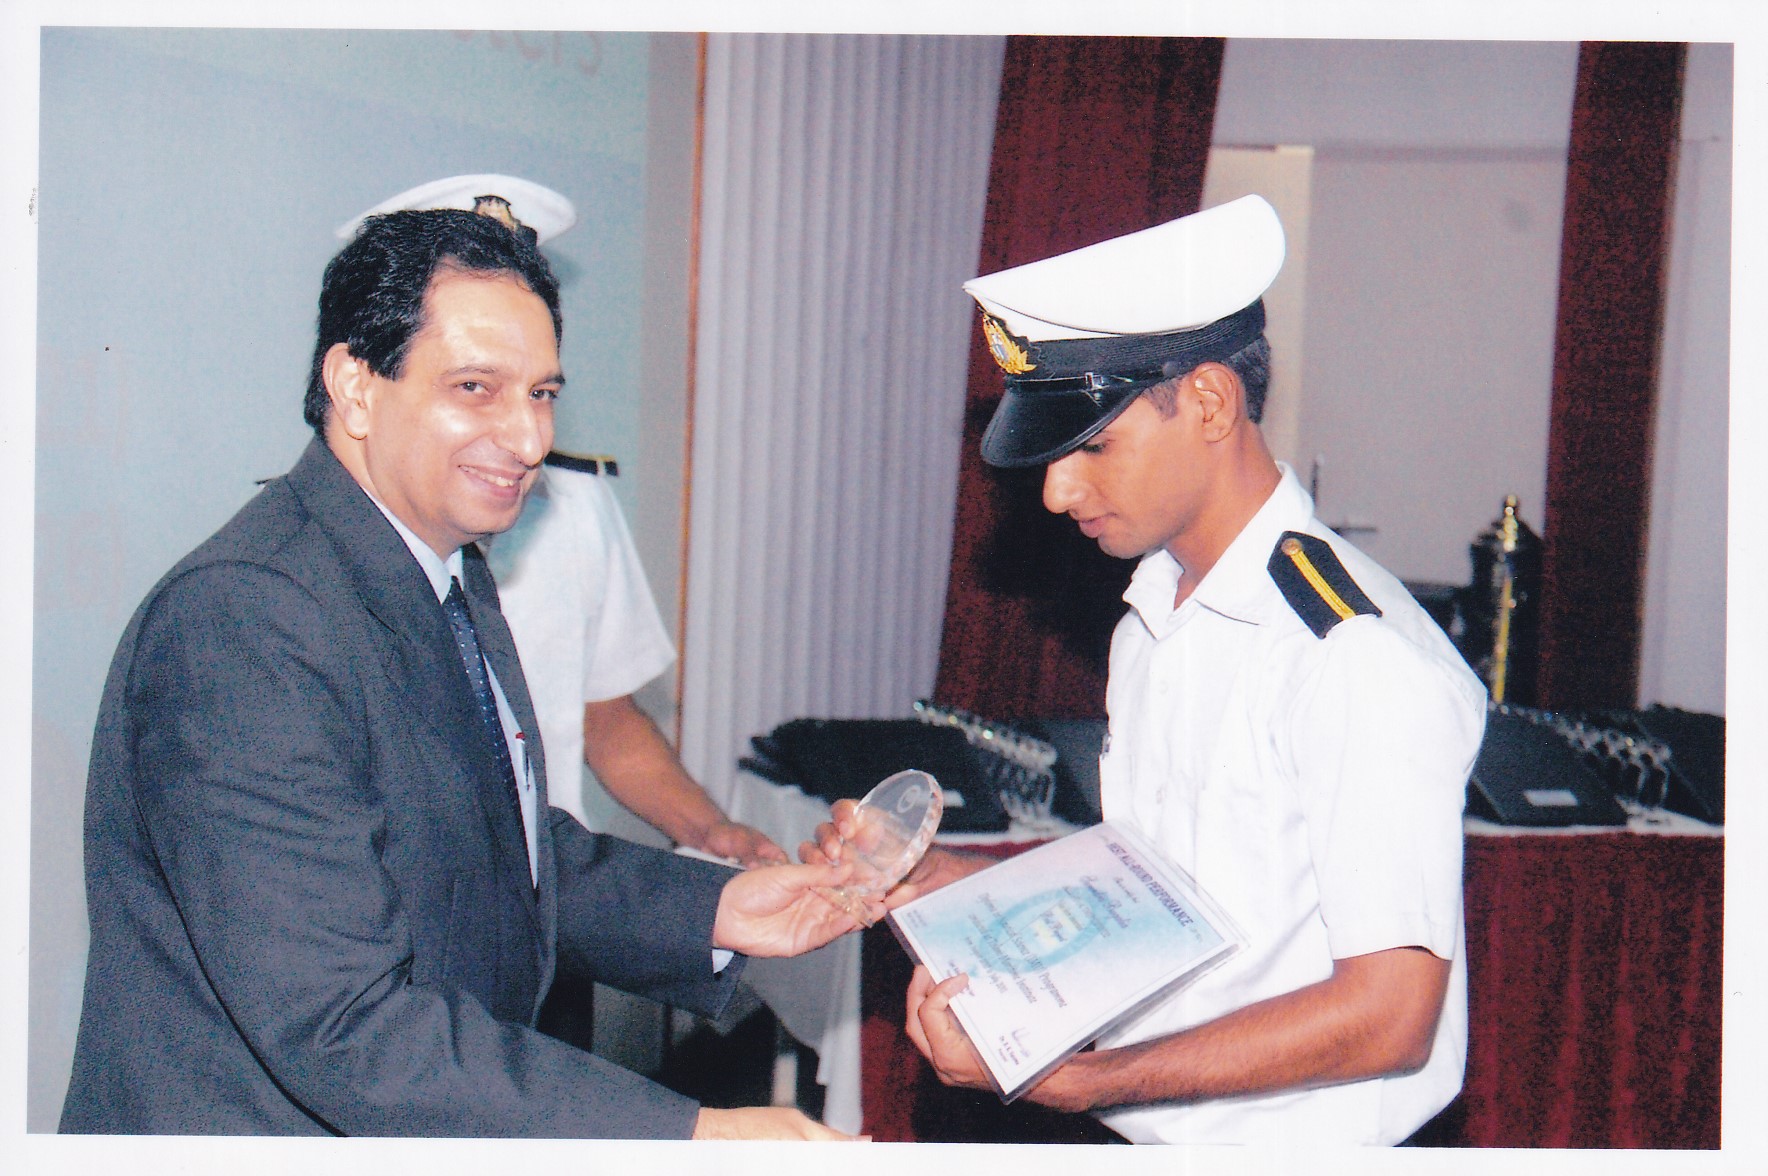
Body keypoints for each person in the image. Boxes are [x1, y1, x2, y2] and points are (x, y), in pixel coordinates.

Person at [59, 198, 873, 1139]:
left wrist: (721, 909)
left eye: (543, 394)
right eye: (477, 388)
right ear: (356, 387)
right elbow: (343, 1026)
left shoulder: (441, 566)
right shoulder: (246, 621)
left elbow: (489, 850)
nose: (529, 441)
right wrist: (693, 1137)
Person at [811, 195, 1487, 1145]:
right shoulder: (1155, 613)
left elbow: (1391, 1013)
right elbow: (1167, 897)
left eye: (1093, 445)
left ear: (1209, 402)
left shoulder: (1350, 656)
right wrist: (947, 882)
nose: (1057, 491)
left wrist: (1086, 1080)